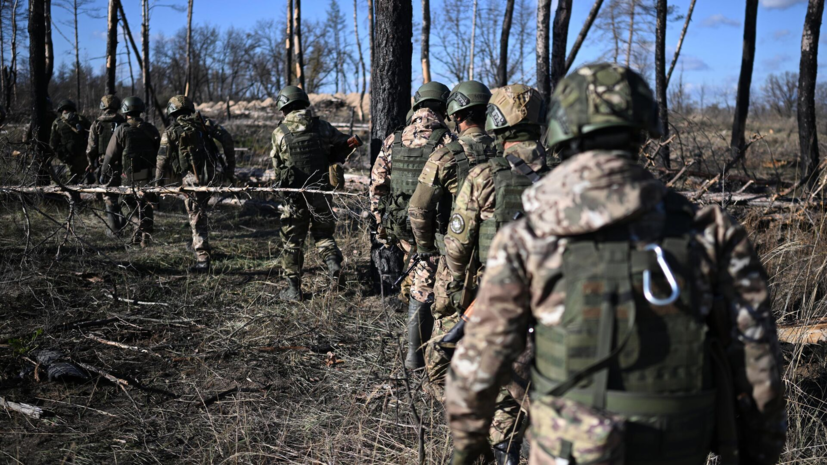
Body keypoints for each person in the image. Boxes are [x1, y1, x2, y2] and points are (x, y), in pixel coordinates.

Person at [445, 63, 787, 465]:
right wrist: (758, 454)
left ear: (561, 132)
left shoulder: (529, 237)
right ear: (643, 132)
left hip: (569, 449)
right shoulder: (711, 232)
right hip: (676, 447)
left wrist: (467, 448)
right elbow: (759, 366)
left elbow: (479, 362)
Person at [436, 83, 548, 464]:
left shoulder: (484, 176)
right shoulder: (570, 175)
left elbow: (456, 249)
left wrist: (457, 294)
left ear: (497, 123)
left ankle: (506, 455)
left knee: (504, 395)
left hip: (500, 304)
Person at [407, 80, 496, 374]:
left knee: (439, 311)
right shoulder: (505, 150)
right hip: (502, 254)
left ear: (456, 115)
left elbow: (418, 209)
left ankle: (428, 372)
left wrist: (426, 249)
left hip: (454, 254)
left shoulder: (446, 155)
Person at [370, 81, 456, 370]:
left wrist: (382, 228)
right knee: (425, 288)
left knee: (416, 279)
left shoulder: (394, 139)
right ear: (443, 105)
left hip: (400, 227)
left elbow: (377, 186)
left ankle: (417, 345)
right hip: (431, 231)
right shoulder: (447, 141)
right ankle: (415, 360)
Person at [270, 85, 362, 301]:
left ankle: (293, 290)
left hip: (295, 195)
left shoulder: (280, 133)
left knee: (292, 242)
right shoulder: (322, 127)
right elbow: (346, 143)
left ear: (284, 107)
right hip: (321, 192)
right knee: (324, 235)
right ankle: (334, 266)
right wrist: (332, 157)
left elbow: (278, 168)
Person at [154, 95, 236, 272]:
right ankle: (196, 244)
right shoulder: (204, 123)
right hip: (212, 174)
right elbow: (227, 139)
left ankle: (202, 258)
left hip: (193, 179)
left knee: (196, 216)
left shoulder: (170, 131)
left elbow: (161, 160)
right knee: (200, 213)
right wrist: (230, 168)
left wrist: (157, 183)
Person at [99, 97, 161, 246]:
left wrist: (103, 172)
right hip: (148, 173)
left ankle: (138, 227)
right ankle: (144, 235)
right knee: (146, 202)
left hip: (129, 174)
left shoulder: (122, 129)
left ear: (125, 111)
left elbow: (110, 154)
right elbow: (159, 151)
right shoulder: (151, 128)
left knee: (127, 203)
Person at [87, 94, 127, 233]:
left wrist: (91, 163)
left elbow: (91, 148)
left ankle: (114, 229)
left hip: (104, 163)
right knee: (123, 193)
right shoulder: (124, 122)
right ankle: (123, 222)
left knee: (108, 195)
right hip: (123, 164)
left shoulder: (97, 123)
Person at [50, 99, 92, 183]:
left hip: (65, 158)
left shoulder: (57, 122)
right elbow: (92, 134)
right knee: (84, 180)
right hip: (81, 157)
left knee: (66, 181)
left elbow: (52, 144)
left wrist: (61, 155)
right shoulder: (81, 119)